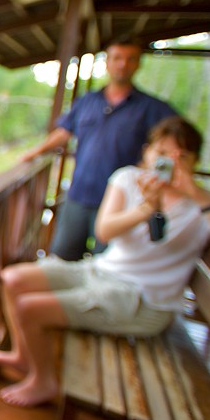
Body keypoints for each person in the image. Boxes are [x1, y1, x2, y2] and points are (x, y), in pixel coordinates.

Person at [0, 117, 210, 408]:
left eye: (182, 156)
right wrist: (146, 208)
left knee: (30, 308)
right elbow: (104, 231)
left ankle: (43, 381)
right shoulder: (128, 179)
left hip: (144, 301)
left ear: (195, 161)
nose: (170, 162)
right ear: (147, 153)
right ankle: (22, 354)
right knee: (13, 279)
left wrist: (197, 195)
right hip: (100, 271)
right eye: (163, 153)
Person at [23, 37, 178, 261]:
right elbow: (64, 132)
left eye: (130, 59)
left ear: (138, 63)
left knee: (105, 264)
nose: (123, 64)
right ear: (107, 62)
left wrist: (158, 166)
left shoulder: (151, 107)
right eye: (117, 58)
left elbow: (177, 138)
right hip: (78, 195)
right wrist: (35, 152)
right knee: (62, 258)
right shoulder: (87, 101)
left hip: (121, 203)